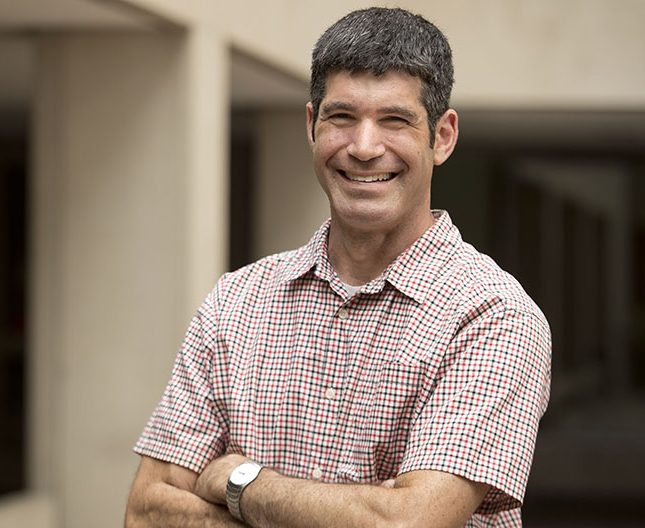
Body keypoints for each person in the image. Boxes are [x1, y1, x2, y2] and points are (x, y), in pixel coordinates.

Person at [124, 7, 551, 528]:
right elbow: (147, 510)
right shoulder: (234, 303)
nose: (364, 147)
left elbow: (408, 523)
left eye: (395, 120)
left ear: (441, 137)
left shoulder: (494, 316)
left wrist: (241, 483)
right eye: (342, 117)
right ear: (312, 125)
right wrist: (357, 509)